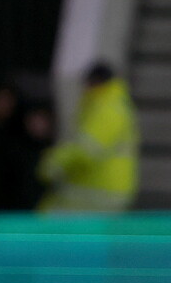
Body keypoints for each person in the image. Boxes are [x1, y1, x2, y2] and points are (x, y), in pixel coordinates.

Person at [37, 60, 139, 212]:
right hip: (104, 188)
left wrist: (54, 161)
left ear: (95, 82)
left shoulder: (107, 108)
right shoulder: (113, 104)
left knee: (49, 220)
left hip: (98, 189)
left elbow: (87, 150)